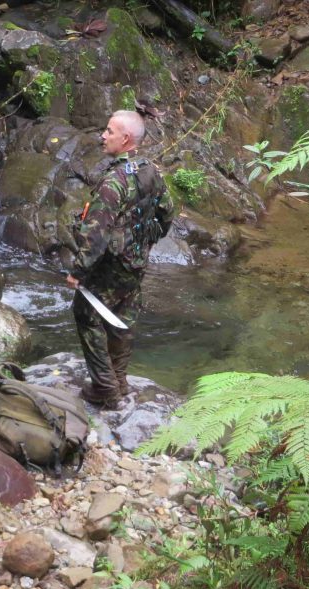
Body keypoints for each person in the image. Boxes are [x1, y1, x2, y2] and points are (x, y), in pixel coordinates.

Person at [61, 110, 175, 410]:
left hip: (109, 266)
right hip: (136, 262)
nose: (103, 135)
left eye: (109, 131)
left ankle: (105, 388)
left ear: (125, 139)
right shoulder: (151, 171)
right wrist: (145, 242)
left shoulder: (114, 183)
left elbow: (96, 235)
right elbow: (167, 214)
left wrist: (78, 271)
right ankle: (120, 380)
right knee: (124, 317)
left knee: (86, 314)